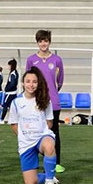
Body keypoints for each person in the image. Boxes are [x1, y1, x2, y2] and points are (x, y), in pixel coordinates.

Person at [7, 68, 59, 184]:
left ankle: (49, 181)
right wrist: (24, 136)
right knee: (31, 183)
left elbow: (49, 122)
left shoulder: (45, 100)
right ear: (23, 83)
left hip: (41, 137)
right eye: (28, 81)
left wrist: (41, 134)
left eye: (34, 82)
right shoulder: (16, 102)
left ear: (38, 83)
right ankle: (47, 176)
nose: (31, 85)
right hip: (26, 144)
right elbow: (13, 124)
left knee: (49, 144)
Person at [25, 30, 66, 173]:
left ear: (49, 42)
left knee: (54, 132)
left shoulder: (57, 60)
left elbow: (60, 81)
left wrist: (52, 93)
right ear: (37, 42)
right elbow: (28, 80)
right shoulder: (31, 60)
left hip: (53, 102)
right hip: (36, 102)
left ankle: (57, 162)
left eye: (46, 41)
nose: (43, 44)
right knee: (36, 131)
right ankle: (35, 162)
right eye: (41, 41)